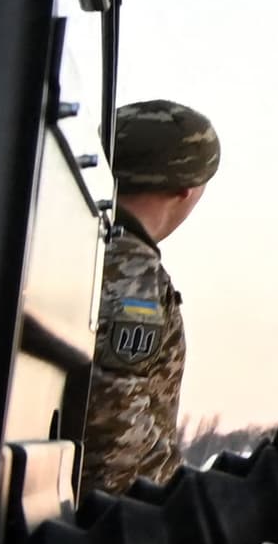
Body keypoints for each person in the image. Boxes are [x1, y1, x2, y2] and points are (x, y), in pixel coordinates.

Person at [85, 98, 217, 500]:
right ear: (186, 188)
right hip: (108, 529)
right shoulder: (131, 273)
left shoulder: (82, 246)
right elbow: (113, 425)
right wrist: (172, 507)